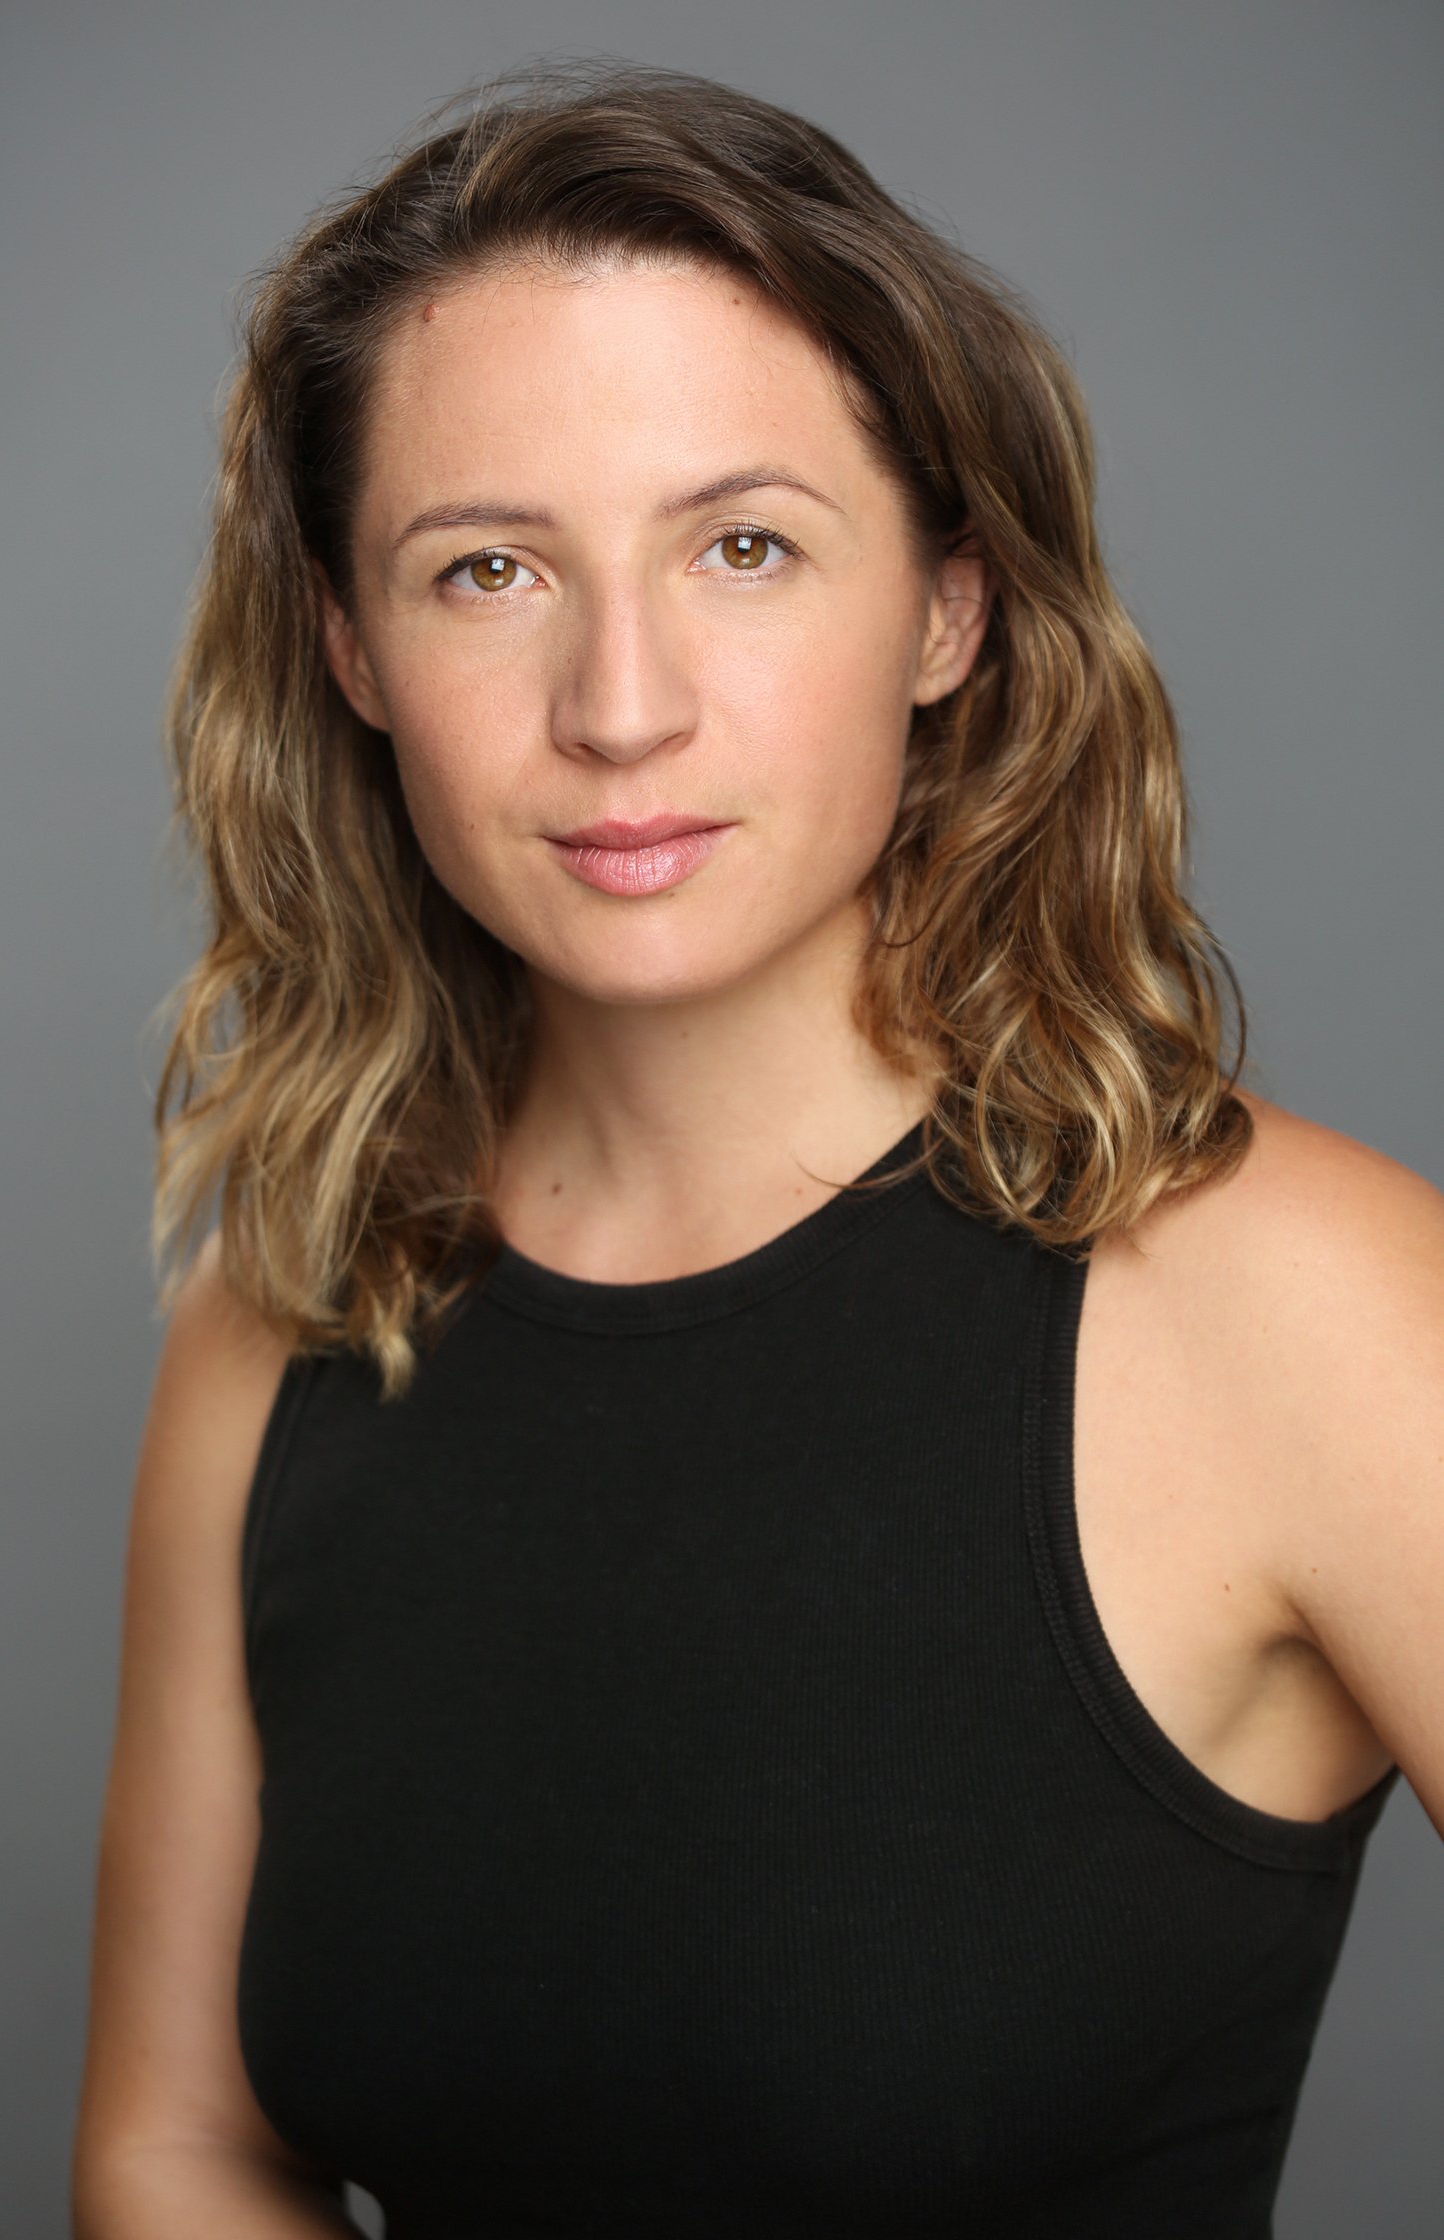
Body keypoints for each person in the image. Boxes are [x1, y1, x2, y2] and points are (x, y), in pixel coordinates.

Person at [71, 58, 1443, 2240]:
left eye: (743, 546)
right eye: (487, 569)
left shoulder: (1310, 1301)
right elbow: (182, 2148)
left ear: (948, 611)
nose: (621, 705)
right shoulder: (285, 1318)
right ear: (350, 647)